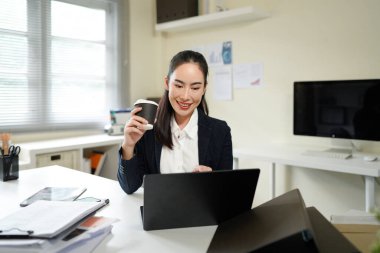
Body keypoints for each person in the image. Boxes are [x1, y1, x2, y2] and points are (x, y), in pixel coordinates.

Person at [117, 50, 233, 194]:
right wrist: (128, 145)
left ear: (204, 88)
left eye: (195, 88)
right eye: (178, 85)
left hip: (201, 213)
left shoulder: (220, 131)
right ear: (167, 83)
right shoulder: (148, 129)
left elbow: (227, 191)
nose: (185, 96)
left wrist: (214, 179)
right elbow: (129, 187)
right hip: (159, 212)